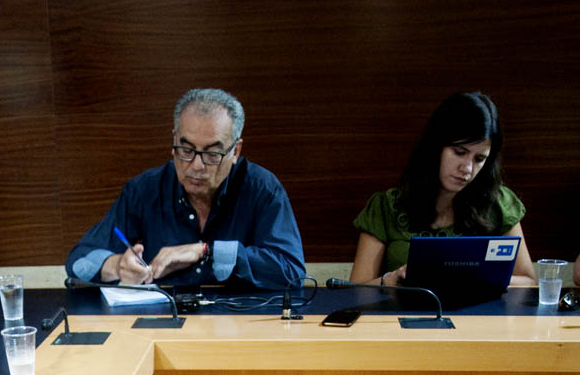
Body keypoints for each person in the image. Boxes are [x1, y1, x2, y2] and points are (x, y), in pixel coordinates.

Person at [65, 88, 305, 289]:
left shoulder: (262, 189)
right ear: (174, 142)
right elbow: (79, 261)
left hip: (239, 325)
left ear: (235, 151)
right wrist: (118, 266)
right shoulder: (145, 189)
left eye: (212, 153)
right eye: (186, 150)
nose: (196, 166)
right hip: (164, 321)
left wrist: (206, 250)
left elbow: (292, 271)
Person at [349, 91, 535, 287]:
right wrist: (394, 279)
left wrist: (469, 277)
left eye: (479, 159)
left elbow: (528, 282)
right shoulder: (386, 206)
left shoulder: (498, 202)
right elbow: (355, 290)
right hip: (401, 314)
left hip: (478, 315)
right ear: (435, 146)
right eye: (459, 152)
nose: (468, 168)